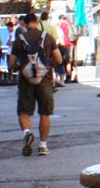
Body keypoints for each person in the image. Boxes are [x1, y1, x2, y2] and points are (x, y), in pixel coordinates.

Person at [10, 11, 62, 156]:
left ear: (24, 24)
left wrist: (21, 68)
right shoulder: (48, 37)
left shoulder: (19, 39)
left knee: (23, 111)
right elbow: (58, 60)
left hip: (25, 80)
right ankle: (42, 145)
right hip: (44, 79)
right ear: (37, 21)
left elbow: (11, 62)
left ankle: (27, 132)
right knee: (45, 113)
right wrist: (47, 66)